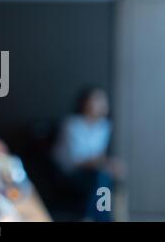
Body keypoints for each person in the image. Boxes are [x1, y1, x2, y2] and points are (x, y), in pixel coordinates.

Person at [52, 86, 121, 221]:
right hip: (68, 171)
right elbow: (76, 159)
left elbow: (97, 156)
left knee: (104, 176)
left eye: (103, 101)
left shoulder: (104, 126)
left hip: (91, 171)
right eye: (97, 100)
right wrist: (103, 163)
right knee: (102, 177)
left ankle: (91, 217)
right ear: (86, 102)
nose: (101, 104)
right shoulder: (72, 125)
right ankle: (102, 218)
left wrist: (111, 164)